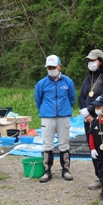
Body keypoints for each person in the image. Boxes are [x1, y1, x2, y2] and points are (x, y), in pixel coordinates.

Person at [35, 54, 76, 183]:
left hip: (63, 116)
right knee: (47, 144)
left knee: (64, 143)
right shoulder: (41, 83)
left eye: (54, 66)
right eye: (49, 67)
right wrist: (45, 110)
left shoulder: (68, 81)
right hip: (47, 116)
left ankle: (66, 170)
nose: (51, 69)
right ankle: (47, 171)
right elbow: (38, 99)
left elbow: (72, 98)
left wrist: (65, 108)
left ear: (60, 66)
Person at [78, 49, 103, 190]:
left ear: (100, 61)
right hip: (88, 118)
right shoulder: (88, 79)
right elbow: (81, 97)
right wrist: (85, 114)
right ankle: (99, 177)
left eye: (93, 60)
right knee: (92, 146)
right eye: (89, 60)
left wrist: (91, 111)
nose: (90, 63)